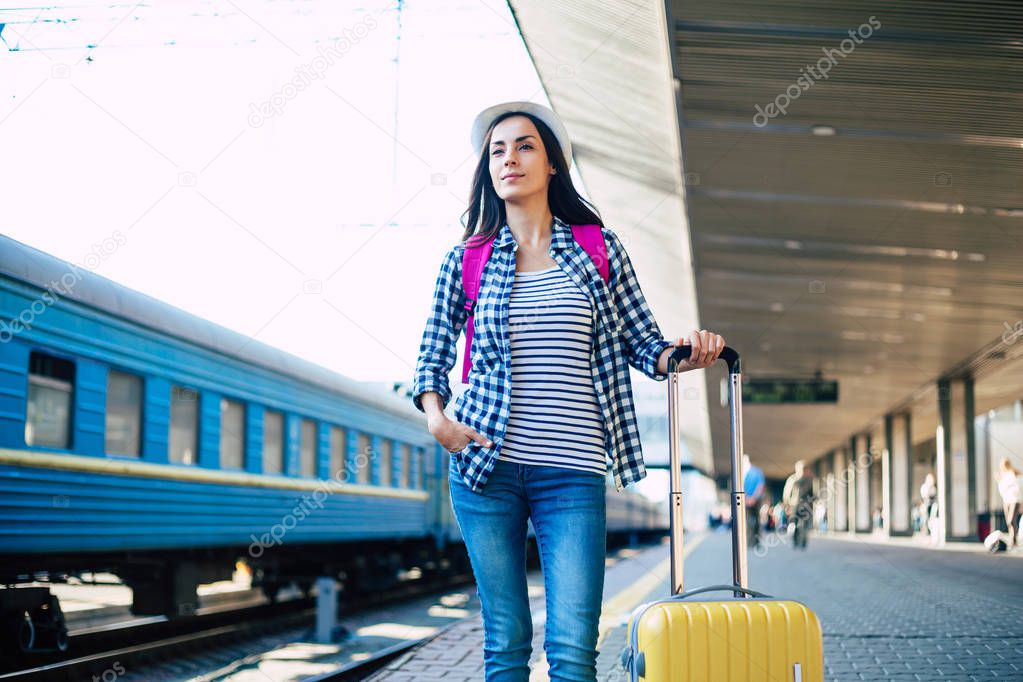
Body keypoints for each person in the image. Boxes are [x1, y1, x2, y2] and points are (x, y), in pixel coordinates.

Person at [410, 100, 726, 682]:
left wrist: (689, 353)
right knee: (505, 643)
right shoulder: (467, 259)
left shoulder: (598, 250)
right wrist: (437, 418)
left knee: (574, 648)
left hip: (572, 470)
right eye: (498, 150)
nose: (510, 159)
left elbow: (645, 346)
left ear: (552, 163)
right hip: (484, 469)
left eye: (525, 146)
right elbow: (431, 353)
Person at [782, 460, 815, 549]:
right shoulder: (792, 479)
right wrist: (787, 505)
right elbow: (787, 494)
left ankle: (803, 541)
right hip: (795, 506)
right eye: (802, 469)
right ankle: (795, 541)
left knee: (804, 525)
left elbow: (813, 493)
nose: (803, 471)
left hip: (806, 506)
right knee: (795, 524)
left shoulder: (809, 479)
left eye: (804, 469)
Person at [996, 458, 1022, 548]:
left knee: (1011, 520)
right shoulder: (1002, 475)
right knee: (1009, 522)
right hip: (1006, 500)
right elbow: (1001, 488)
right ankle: (1012, 539)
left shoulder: (1015, 473)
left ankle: (1014, 540)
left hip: (1015, 499)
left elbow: (1019, 485)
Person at [742, 454, 766, 549]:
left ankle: (753, 541)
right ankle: (752, 541)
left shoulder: (754, 472)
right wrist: (750, 498)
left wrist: (751, 498)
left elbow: (760, 486)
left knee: (752, 521)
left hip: (753, 500)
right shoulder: (745, 472)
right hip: (750, 500)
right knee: (751, 521)